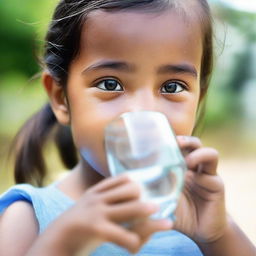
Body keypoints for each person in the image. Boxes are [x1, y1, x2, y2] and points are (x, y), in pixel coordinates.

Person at [0, 0, 255, 255]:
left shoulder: (202, 224)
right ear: (61, 98)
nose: (143, 111)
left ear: (198, 100)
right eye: (110, 84)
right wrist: (64, 244)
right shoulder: (28, 218)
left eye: (172, 87)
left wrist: (219, 235)